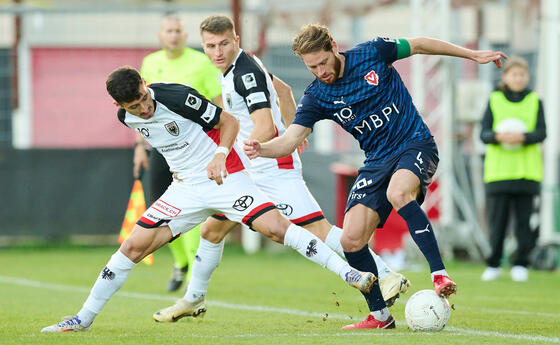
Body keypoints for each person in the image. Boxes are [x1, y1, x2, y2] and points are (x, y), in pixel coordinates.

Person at [41, 66, 375, 333]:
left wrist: (219, 155)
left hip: (225, 177)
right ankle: (82, 319)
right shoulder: (125, 117)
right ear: (118, 106)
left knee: (275, 228)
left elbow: (227, 121)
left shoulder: (175, 96)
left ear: (145, 83)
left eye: (143, 98)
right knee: (132, 247)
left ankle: (350, 275)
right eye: (133, 106)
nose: (143, 108)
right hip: (185, 189)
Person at [244, 24, 506, 329]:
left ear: (333, 46)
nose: (320, 71)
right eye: (311, 67)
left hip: (414, 143)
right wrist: (260, 149)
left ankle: (439, 274)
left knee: (398, 194)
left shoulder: (373, 52)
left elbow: (420, 43)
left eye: (323, 62)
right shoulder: (317, 96)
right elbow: (290, 140)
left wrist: (473, 55)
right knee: (351, 239)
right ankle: (380, 317)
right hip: (376, 161)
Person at [152, 15, 410, 323]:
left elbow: (262, 126)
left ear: (236, 40)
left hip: (270, 168)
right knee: (211, 230)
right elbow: (285, 91)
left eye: (223, 44)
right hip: (252, 170)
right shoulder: (238, 67)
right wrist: (294, 131)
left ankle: (387, 274)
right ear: (203, 46)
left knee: (317, 230)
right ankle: (193, 298)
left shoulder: (244, 74)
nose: (217, 51)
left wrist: (251, 147)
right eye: (210, 46)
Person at [136, 14, 223, 292]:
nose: (173, 35)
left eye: (178, 31)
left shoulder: (200, 62)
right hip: (162, 148)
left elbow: (218, 101)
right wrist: (140, 147)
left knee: (193, 207)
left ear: (185, 36)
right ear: (161, 36)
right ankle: (181, 262)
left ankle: (193, 272)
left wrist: (222, 144)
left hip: (195, 149)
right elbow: (138, 109)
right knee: (160, 206)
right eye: (168, 31)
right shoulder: (150, 63)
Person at [479, 56, 546, 282]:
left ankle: (521, 263)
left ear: (527, 77)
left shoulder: (535, 101)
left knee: (524, 222)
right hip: (498, 173)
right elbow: (484, 133)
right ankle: (494, 264)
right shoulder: (495, 99)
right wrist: (499, 136)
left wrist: (523, 137)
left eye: (522, 75)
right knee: (498, 222)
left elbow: (541, 133)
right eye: (514, 74)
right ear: (505, 77)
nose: (518, 79)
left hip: (527, 172)